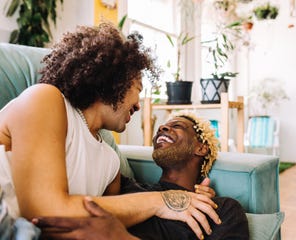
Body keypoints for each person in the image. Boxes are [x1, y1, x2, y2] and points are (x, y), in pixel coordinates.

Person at [0, 22, 220, 240]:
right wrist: (162, 200)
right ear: (116, 79)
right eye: (138, 90)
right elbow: (44, 211)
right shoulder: (44, 99)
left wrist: (191, 195)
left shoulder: (111, 164)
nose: (139, 105)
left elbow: (101, 226)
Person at [34, 112, 250, 240]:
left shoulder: (221, 210)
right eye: (162, 127)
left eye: (177, 126)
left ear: (201, 148)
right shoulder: (125, 189)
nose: (163, 128)